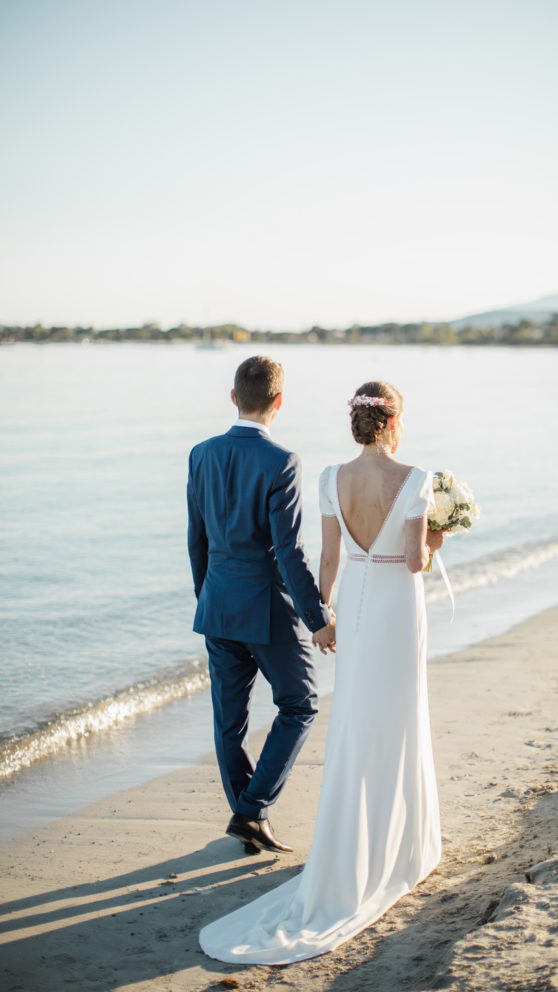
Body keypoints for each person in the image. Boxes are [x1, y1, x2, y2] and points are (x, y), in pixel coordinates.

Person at [199, 379, 444, 963]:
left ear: (357, 422)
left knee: (355, 719)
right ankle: (398, 843)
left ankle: (334, 838)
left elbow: (327, 558)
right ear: (392, 422)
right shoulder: (416, 479)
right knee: (400, 716)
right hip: (395, 606)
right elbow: (415, 561)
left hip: (353, 608)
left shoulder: (331, 478)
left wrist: (324, 616)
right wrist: (441, 533)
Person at [187, 355, 336, 855]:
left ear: (234, 397)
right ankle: (251, 811)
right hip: (267, 610)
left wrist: (206, 596)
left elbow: (197, 539)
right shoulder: (282, 462)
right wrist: (317, 618)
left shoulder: (200, 454)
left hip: (218, 605)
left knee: (228, 722)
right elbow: (289, 551)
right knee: (300, 704)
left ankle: (247, 814)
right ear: (278, 401)